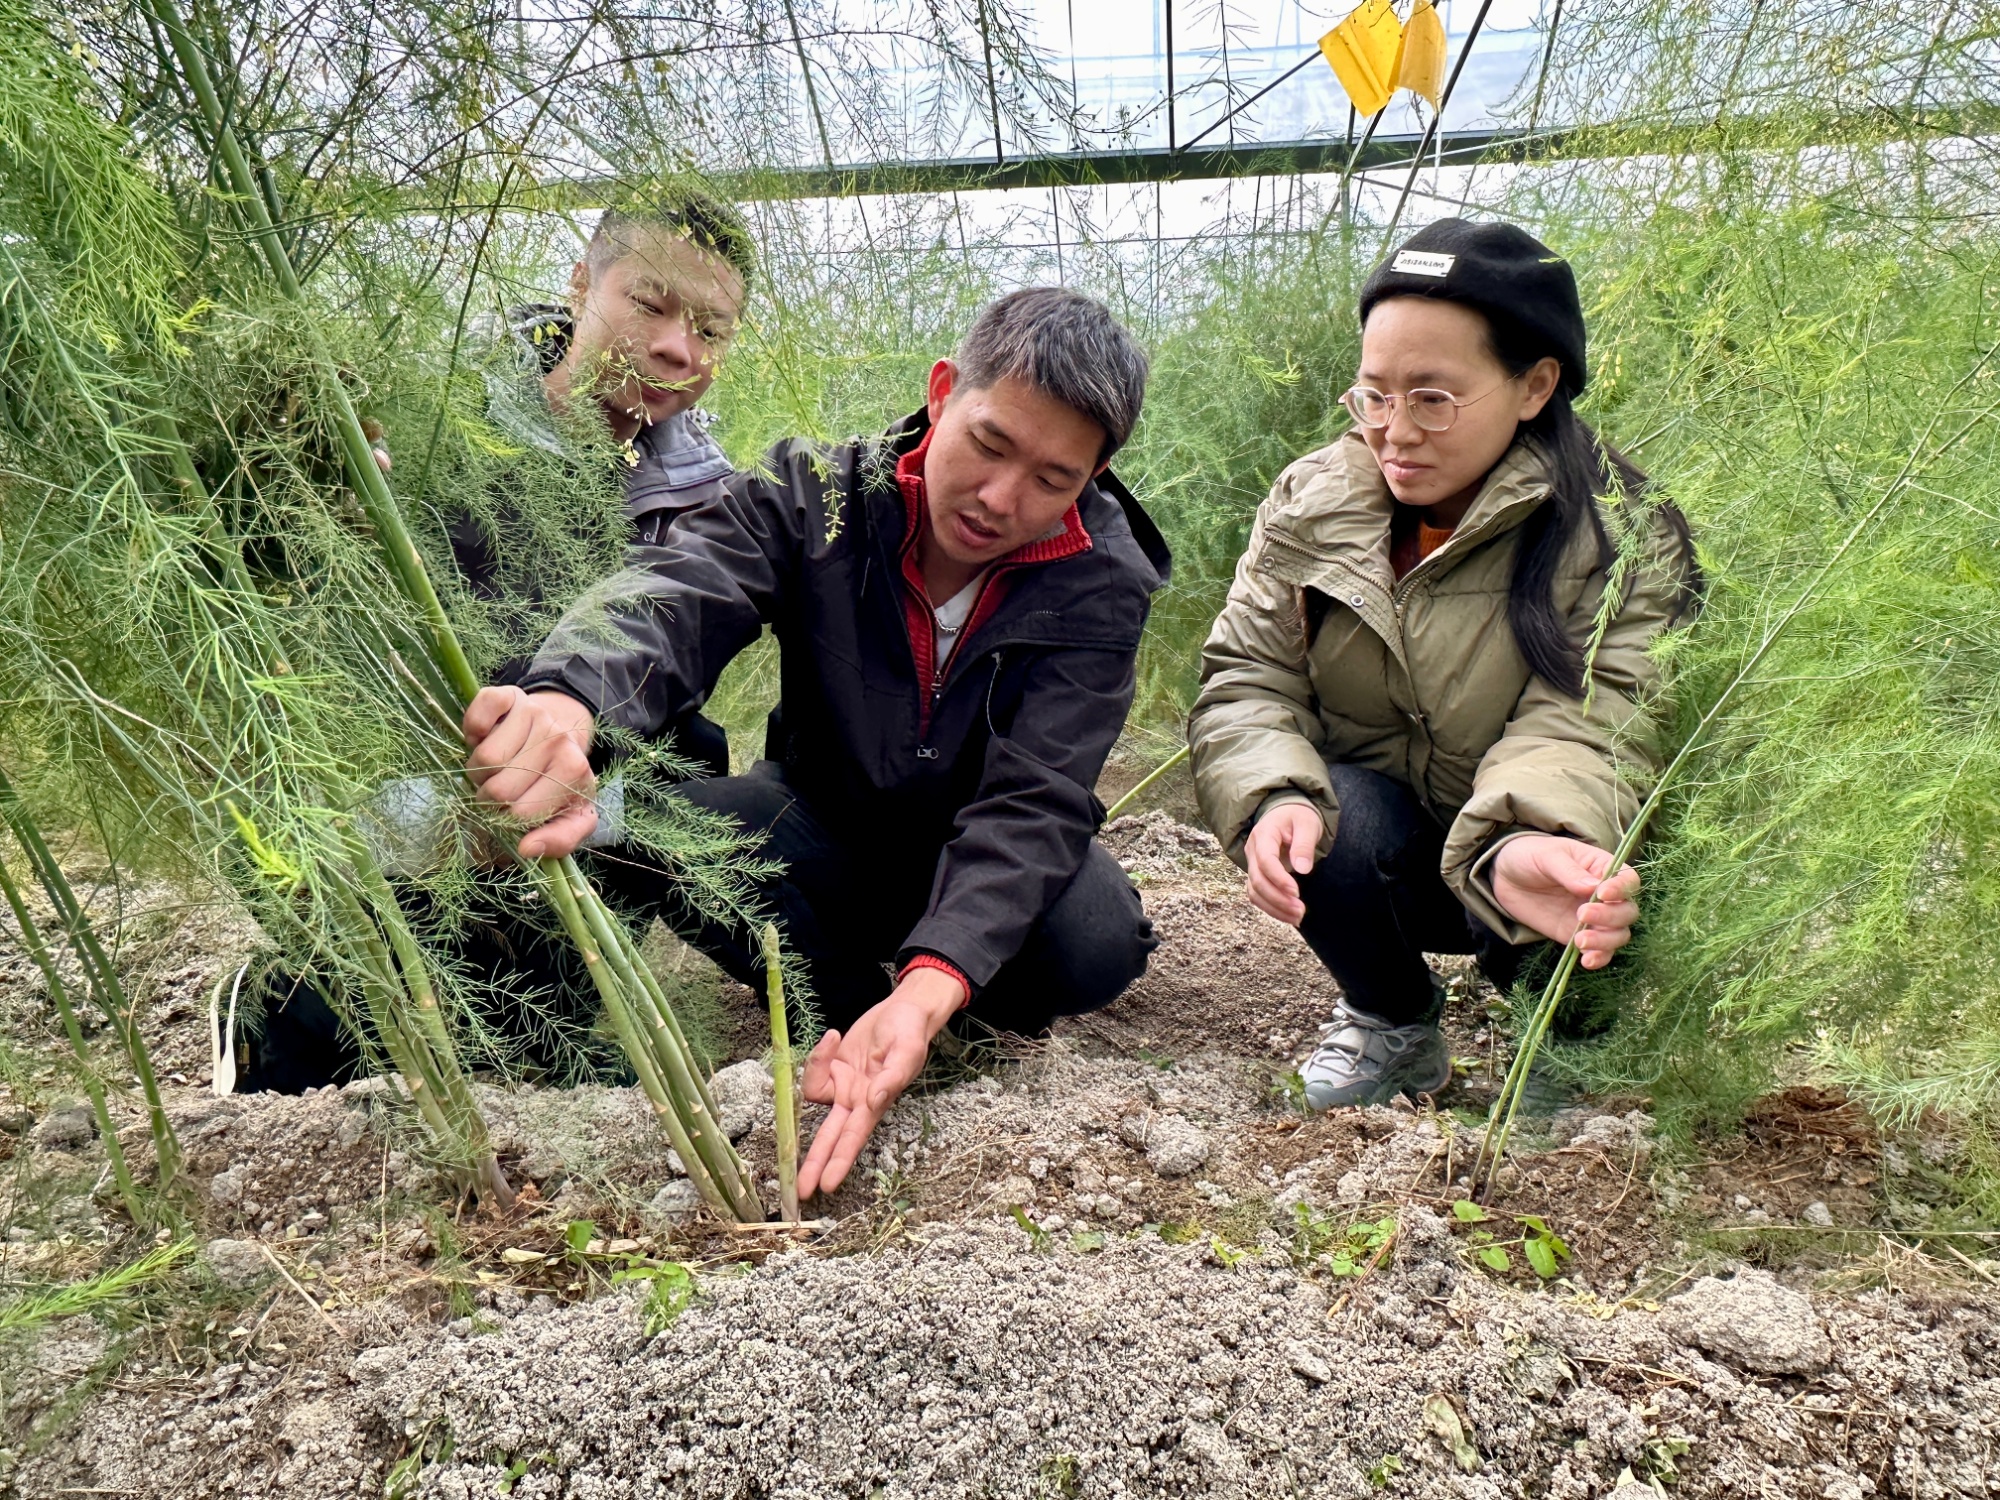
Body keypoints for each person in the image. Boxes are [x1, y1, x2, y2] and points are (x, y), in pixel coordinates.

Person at [462, 287, 1170, 1196]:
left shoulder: (1101, 581)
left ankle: (932, 1001)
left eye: (1053, 479)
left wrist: (932, 984)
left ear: (1095, 477)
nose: (1001, 499)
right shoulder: (820, 499)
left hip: (962, 852)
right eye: (989, 444)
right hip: (820, 824)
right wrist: (569, 698)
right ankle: (842, 1008)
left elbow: (1035, 800)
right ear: (945, 391)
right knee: (657, 828)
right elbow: (679, 595)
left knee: (1097, 939)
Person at [237, 186, 756, 1092]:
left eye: (710, 331)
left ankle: (545, 1008)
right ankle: (291, 1011)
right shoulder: (432, 412)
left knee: (689, 762)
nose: (679, 348)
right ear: (579, 284)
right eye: (651, 303)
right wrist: (328, 500)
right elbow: (276, 595)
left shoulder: (702, 497)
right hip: (402, 787)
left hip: (567, 806)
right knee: (331, 1047)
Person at [1187, 219, 1698, 1111]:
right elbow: (1248, 678)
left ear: (1535, 385)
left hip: (1537, 867)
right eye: (1375, 396)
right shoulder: (1313, 505)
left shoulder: (1622, 531)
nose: (1396, 433)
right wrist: (1272, 794)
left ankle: (1560, 1038)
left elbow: (1600, 717)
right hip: (1398, 855)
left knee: (1602, 875)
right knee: (1325, 811)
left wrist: (1532, 839)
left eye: (1433, 399)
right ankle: (1392, 1021)